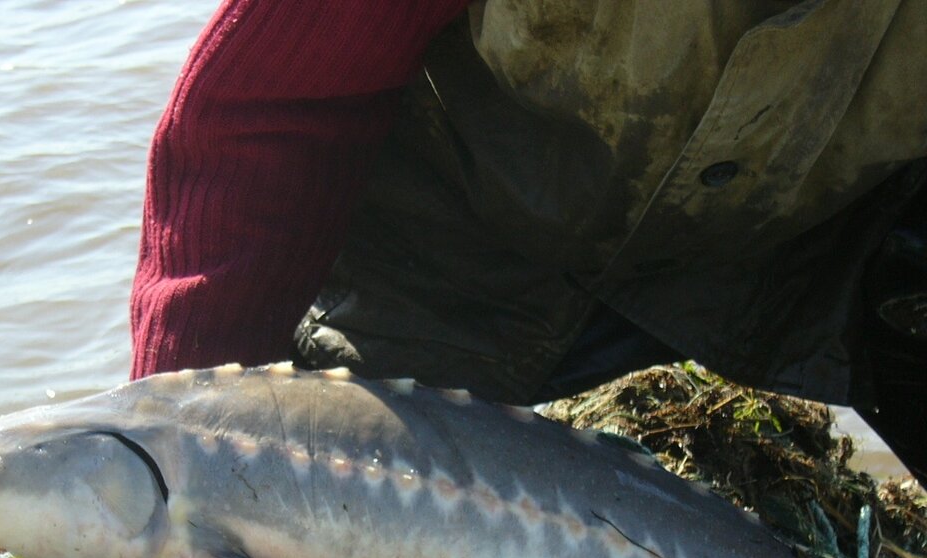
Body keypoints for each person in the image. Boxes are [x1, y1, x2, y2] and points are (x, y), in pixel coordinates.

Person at [129, 1, 927, 484]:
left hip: (821, 243)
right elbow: (274, 105)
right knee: (332, 537)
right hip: (477, 252)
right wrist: (184, 456)